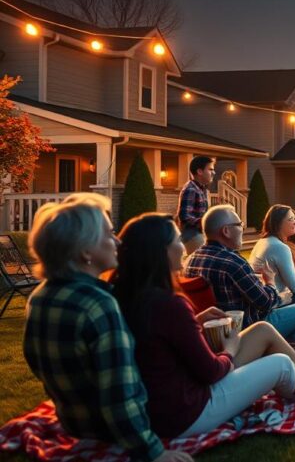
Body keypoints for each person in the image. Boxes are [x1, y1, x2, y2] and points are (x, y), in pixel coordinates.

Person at [111, 213, 295, 438]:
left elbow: (158, 346)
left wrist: (195, 324)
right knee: (280, 364)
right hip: (187, 412)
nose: (183, 245)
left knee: (263, 331)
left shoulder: (127, 296)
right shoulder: (168, 304)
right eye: (176, 240)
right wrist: (230, 349)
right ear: (159, 252)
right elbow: (211, 371)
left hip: (163, 404)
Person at [21, 193, 192, 462]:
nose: (118, 241)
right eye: (109, 234)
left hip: (73, 424)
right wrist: (154, 452)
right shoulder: (98, 305)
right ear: (86, 251)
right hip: (113, 431)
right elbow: (119, 394)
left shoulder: (40, 297)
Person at [184, 205, 295, 343]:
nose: (242, 229)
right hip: (247, 331)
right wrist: (270, 282)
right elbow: (265, 304)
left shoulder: (190, 260)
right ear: (226, 231)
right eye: (240, 225)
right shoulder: (233, 263)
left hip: (211, 334)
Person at [176, 156, 215, 255]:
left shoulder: (202, 189)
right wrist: (206, 222)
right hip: (192, 235)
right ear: (200, 171)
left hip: (200, 233)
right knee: (203, 260)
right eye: (210, 169)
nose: (213, 173)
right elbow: (185, 216)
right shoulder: (191, 189)